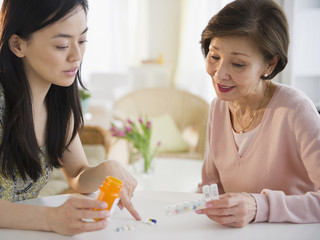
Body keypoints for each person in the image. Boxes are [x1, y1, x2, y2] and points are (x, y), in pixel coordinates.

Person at [0, 0, 141, 235]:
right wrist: (50, 218)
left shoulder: (58, 103)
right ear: (17, 44)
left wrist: (108, 168)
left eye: (82, 41)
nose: (77, 55)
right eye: (62, 45)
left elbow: (77, 175)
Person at [196, 0, 320, 228]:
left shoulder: (296, 111)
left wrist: (259, 206)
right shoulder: (218, 107)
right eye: (214, 57)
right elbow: (210, 188)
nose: (220, 74)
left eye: (238, 64)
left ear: (269, 65)